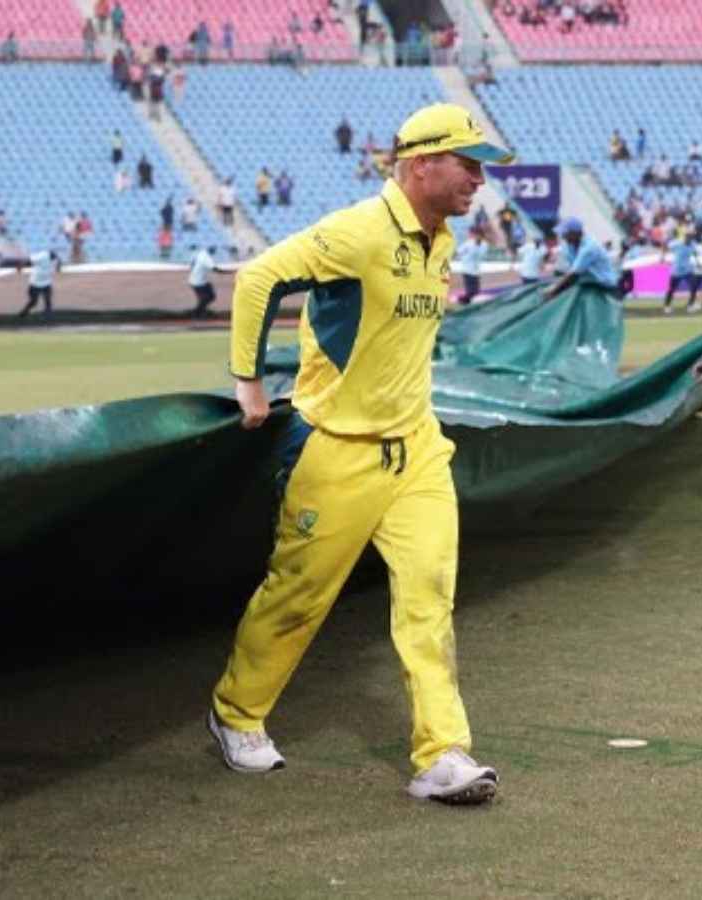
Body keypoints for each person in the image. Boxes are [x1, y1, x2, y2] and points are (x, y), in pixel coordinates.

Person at [208, 102, 513, 805]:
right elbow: (259, 278)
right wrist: (249, 385)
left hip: (417, 451)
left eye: (480, 168)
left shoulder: (441, 240)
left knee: (429, 600)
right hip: (336, 451)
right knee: (297, 598)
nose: (479, 180)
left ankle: (443, 755)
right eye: (467, 165)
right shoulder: (357, 232)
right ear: (420, 164)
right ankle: (236, 713)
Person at [543, 217, 620, 301]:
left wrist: (553, 291)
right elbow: (571, 272)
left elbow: (574, 274)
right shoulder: (569, 246)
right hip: (589, 286)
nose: (563, 236)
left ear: (576, 233)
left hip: (605, 289)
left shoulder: (589, 248)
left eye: (565, 233)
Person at [662, 232, 698, 314]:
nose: (688, 240)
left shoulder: (692, 244)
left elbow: (695, 252)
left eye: (690, 238)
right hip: (676, 270)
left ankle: (690, 305)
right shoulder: (677, 243)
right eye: (687, 238)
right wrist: (662, 256)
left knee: (694, 286)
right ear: (685, 238)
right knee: (671, 289)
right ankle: (667, 306)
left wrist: (697, 261)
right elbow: (664, 245)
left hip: (687, 270)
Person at [18, 249, 59, 317]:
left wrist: (58, 267)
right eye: (52, 257)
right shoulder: (41, 256)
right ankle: (23, 313)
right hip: (35, 283)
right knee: (34, 301)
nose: (53, 259)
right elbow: (29, 260)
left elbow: (58, 263)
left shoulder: (55, 259)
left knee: (48, 300)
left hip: (46, 282)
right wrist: (20, 266)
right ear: (48, 254)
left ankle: (48, 316)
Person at [456, 228, 489, 303]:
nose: (477, 237)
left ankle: (463, 301)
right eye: (476, 235)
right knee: (471, 291)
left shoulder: (484, 245)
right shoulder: (468, 243)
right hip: (467, 270)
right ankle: (462, 301)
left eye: (479, 235)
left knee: (476, 291)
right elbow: (459, 252)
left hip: (476, 271)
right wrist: (464, 255)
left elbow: (481, 254)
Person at [187, 244, 217, 316]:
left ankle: (200, 311)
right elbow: (215, 269)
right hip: (197, 282)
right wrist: (228, 272)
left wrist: (192, 269)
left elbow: (192, 262)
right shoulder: (206, 258)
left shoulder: (201, 253)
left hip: (200, 281)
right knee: (206, 298)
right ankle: (197, 312)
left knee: (210, 296)